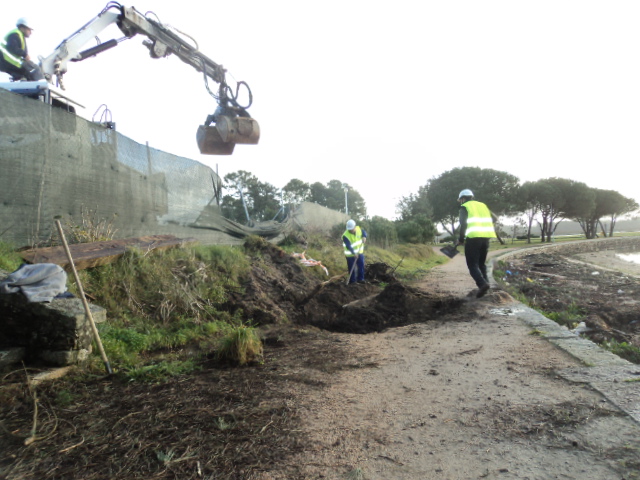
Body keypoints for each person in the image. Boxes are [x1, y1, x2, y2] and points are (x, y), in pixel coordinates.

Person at [455, 189, 496, 298]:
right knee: (481, 264)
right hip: (486, 238)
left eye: (460, 200)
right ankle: (487, 286)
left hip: (473, 238)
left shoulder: (465, 207)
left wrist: (461, 239)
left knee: (472, 264)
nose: (460, 202)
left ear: (463, 198)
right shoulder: (482, 205)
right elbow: (494, 218)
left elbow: (463, 224)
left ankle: (482, 285)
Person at [342, 219, 367, 285]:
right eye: (349, 229)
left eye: (352, 229)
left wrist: (364, 236)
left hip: (360, 253)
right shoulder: (345, 235)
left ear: (355, 227)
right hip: (350, 255)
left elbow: (364, 232)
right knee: (351, 268)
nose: (350, 230)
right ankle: (352, 281)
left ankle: (361, 279)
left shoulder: (359, 230)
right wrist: (354, 253)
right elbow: (348, 246)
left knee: (361, 266)